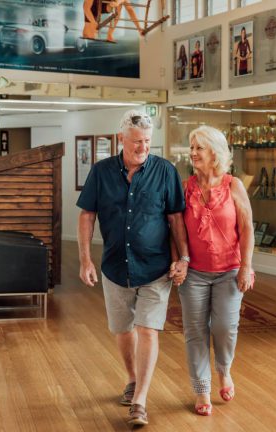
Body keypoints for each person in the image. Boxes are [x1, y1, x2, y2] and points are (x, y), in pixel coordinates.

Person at [76, 110, 189, 426]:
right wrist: (85, 260)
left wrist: (184, 258)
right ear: (121, 139)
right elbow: (87, 216)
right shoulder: (101, 172)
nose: (143, 147)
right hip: (114, 265)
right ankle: (131, 378)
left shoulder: (165, 171)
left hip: (155, 266)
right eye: (137, 141)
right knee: (123, 329)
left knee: (147, 328)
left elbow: (176, 218)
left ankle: (140, 398)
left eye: (148, 142)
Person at [175, 126, 255, 416]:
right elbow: (176, 229)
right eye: (191, 147)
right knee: (195, 332)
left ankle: (224, 370)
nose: (193, 153)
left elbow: (247, 229)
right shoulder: (185, 187)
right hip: (194, 273)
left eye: (199, 148)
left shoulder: (234, 185)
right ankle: (202, 390)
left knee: (224, 328)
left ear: (215, 152)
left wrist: (246, 267)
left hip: (229, 272)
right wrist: (180, 261)